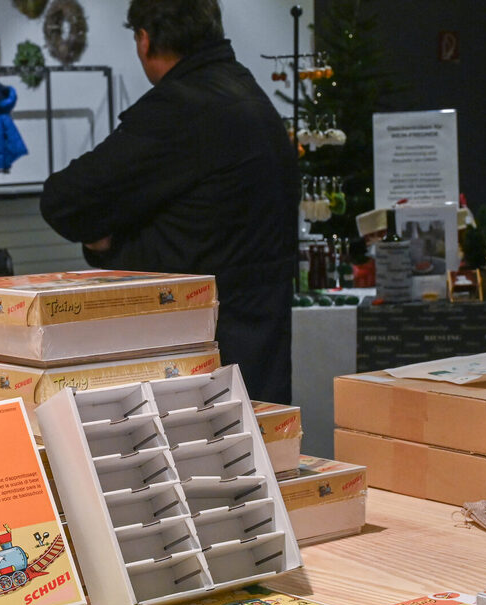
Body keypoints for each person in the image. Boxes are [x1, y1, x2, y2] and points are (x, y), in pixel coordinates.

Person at [39, 0, 299, 403]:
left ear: (144, 40)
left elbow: (65, 201)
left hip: (199, 370)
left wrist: (109, 242)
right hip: (259, 360)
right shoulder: (248, 94)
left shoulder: (183, 106)